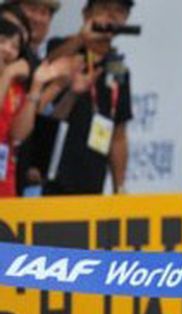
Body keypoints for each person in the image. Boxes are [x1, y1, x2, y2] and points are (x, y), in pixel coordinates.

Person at [42, 0, 134, 196]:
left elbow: (118, 135)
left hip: (92, 182)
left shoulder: (119, 68)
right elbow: (46, 68)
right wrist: (81, 38)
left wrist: (119, 187)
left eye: (119, 11)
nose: (110, 16)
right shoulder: (63, 47)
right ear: (86, 14)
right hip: (51, 174)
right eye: (103, 9)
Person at [0, 18, 67, 198]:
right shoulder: (9, 77)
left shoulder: (16, 88)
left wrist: (36, 85)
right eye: (2, 41)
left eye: (14, 46)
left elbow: (18, 134)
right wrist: (7, 75)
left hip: (5, 180)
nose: (8, 49)